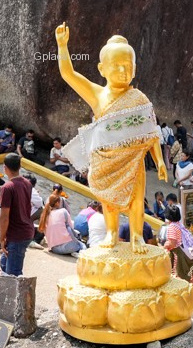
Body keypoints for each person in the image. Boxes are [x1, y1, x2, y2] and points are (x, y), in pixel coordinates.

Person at [54, 25, 167, 253]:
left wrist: (160, 161)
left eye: (128, 66)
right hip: (105, 160)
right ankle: (112, 233)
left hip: (133, 160)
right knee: (108, 200)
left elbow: (151, 132)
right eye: (116, 66)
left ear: (135, 69)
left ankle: (137, 236)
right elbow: (68, 74)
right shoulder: (97, 94)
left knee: (136, 198)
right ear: (102, 69)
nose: (123, 71)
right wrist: (62, 46)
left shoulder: (139, 98)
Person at [0, 153, 35, 276]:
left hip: (17, 234)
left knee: (13, 274)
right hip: (25, 230)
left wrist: (2, 238)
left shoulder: (7, 187)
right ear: (19, 167)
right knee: (4, 264)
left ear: (5, 167)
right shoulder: (27, 183)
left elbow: (4, 217)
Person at [163, 206, 193, 310]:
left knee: (182, 280)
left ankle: (186, 305)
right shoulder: (179, 224)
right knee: (189, 280)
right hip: (186, 255)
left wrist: (165, 245)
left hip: (179, 257)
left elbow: (172, 243)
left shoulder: (171, 227)